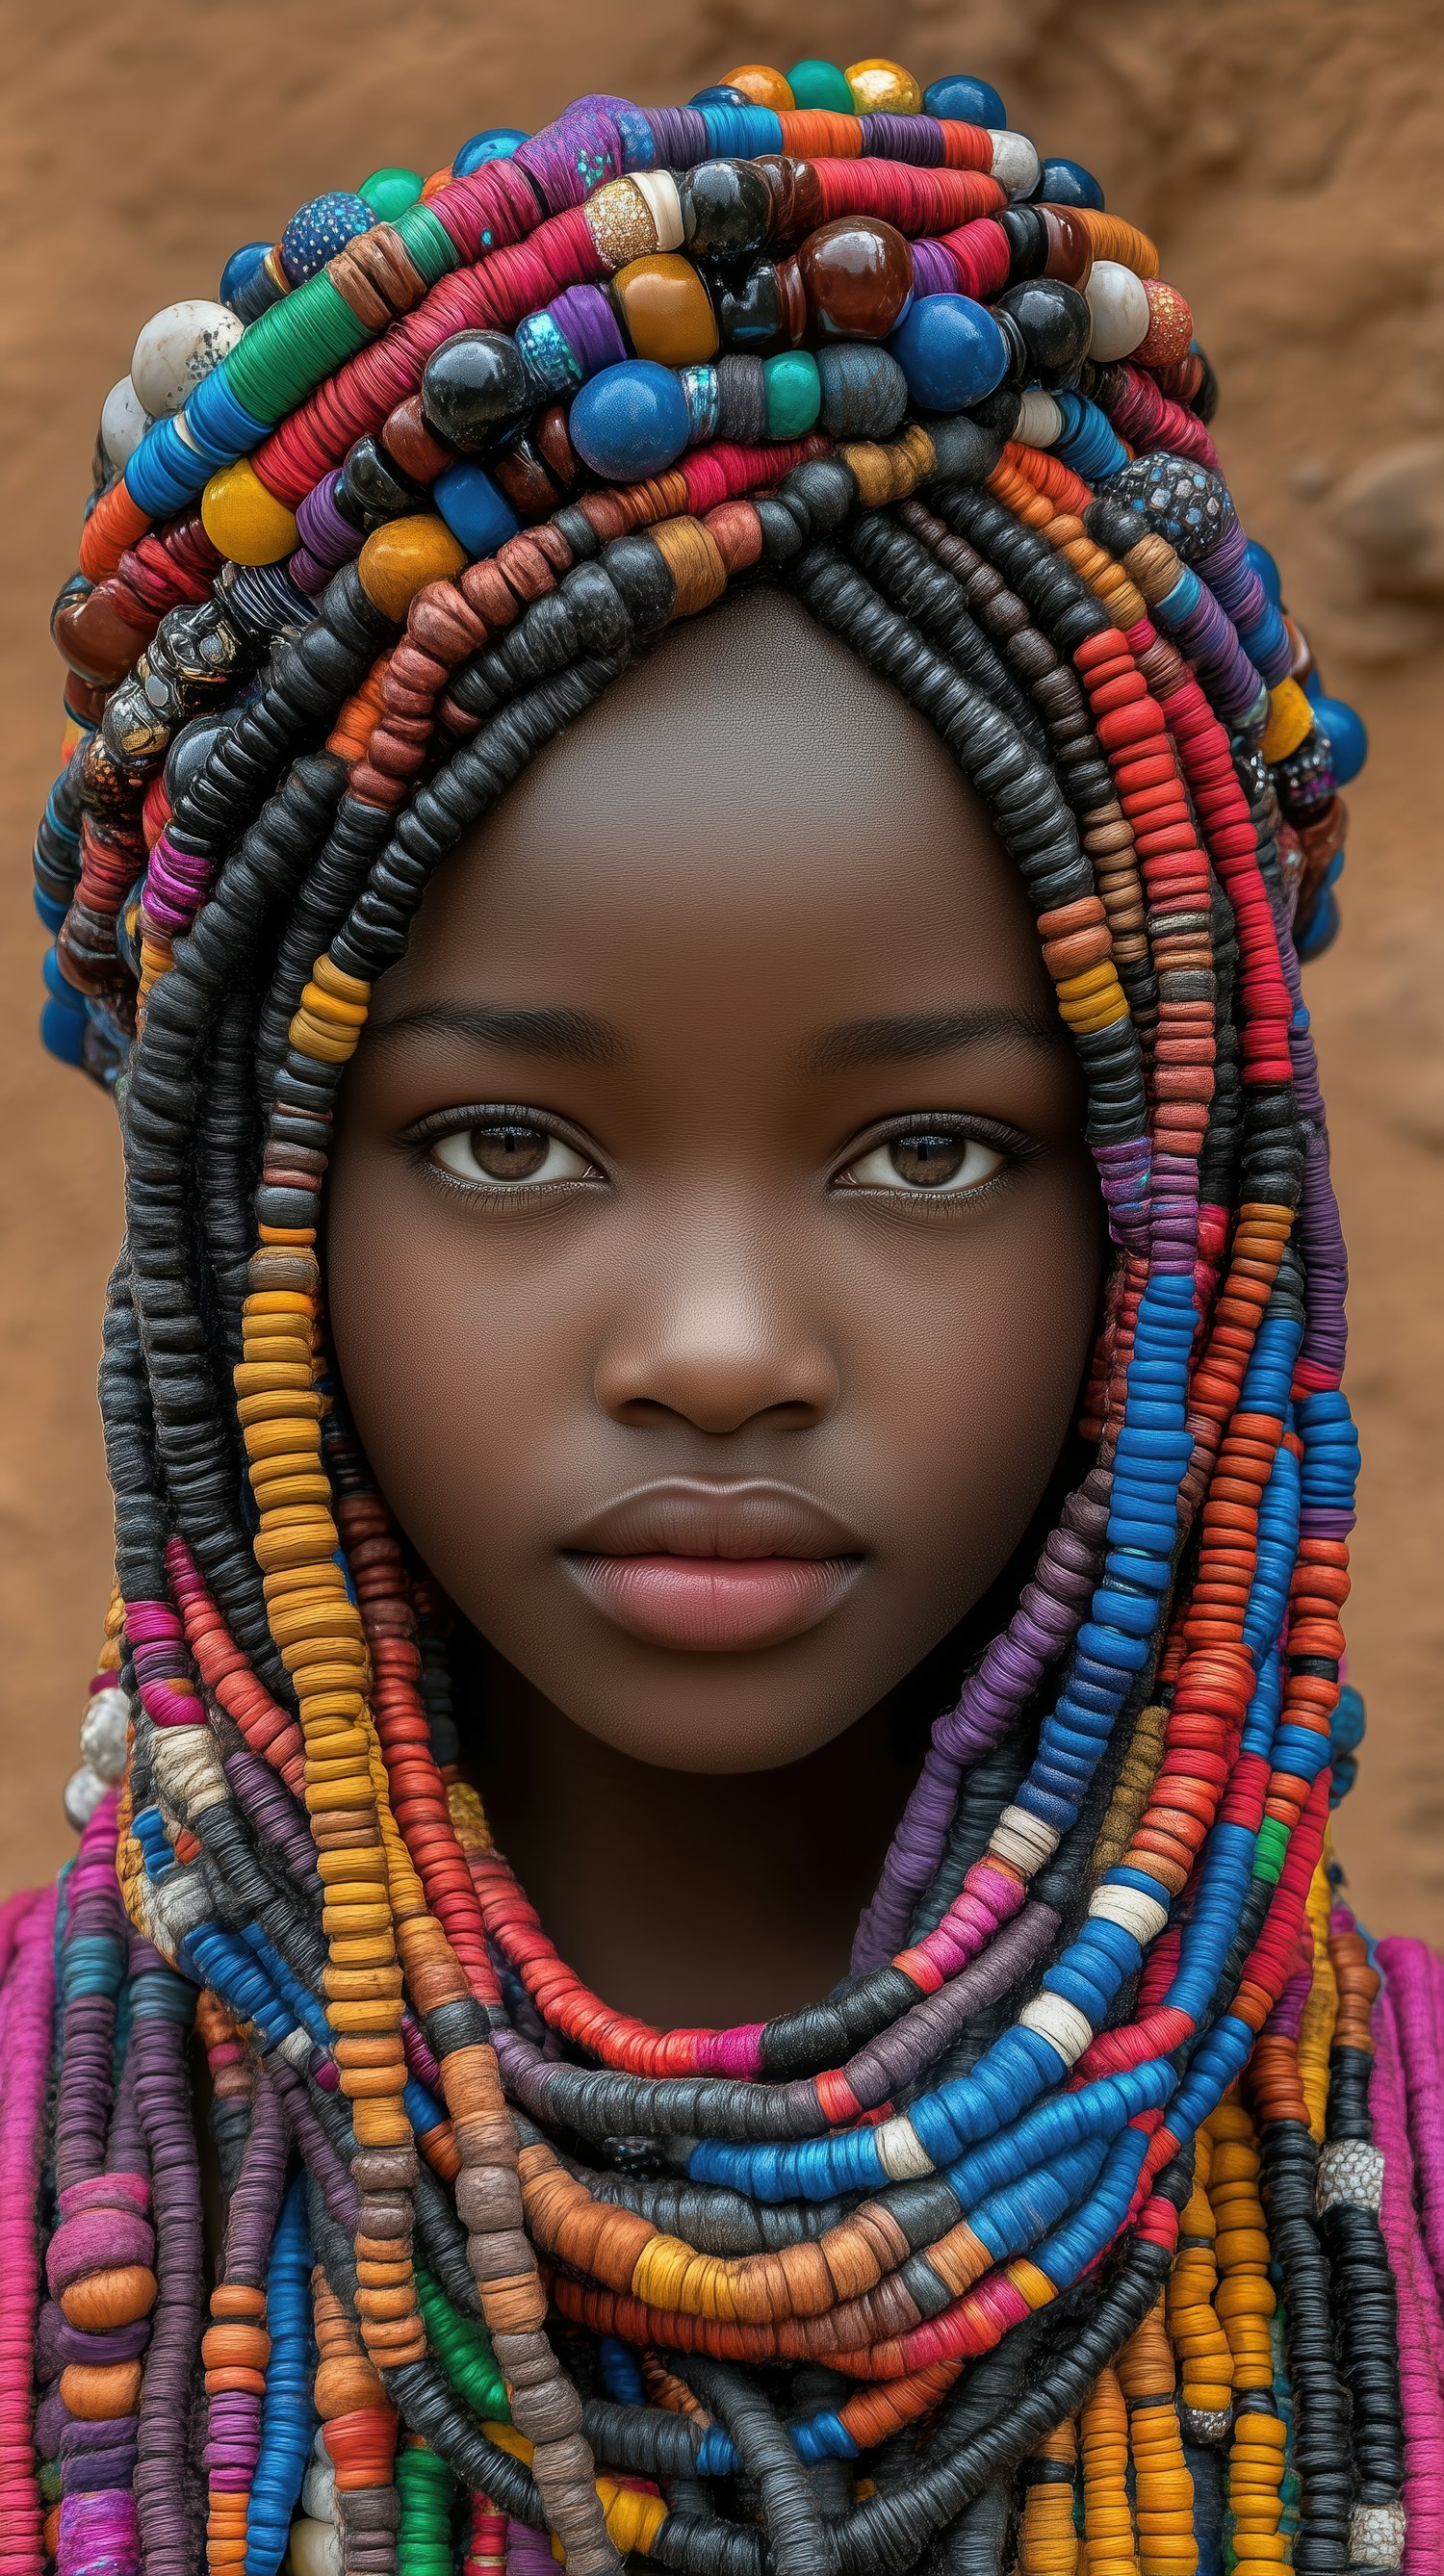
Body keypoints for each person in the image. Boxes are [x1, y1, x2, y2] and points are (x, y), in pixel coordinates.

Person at [7, 48, 1440, 2576]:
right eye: (505, 1144)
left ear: (1165, 1216)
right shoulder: (56, 2173)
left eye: (924, 1150)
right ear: (264, 1193)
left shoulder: (1393, 2191)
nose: (710, 1340)